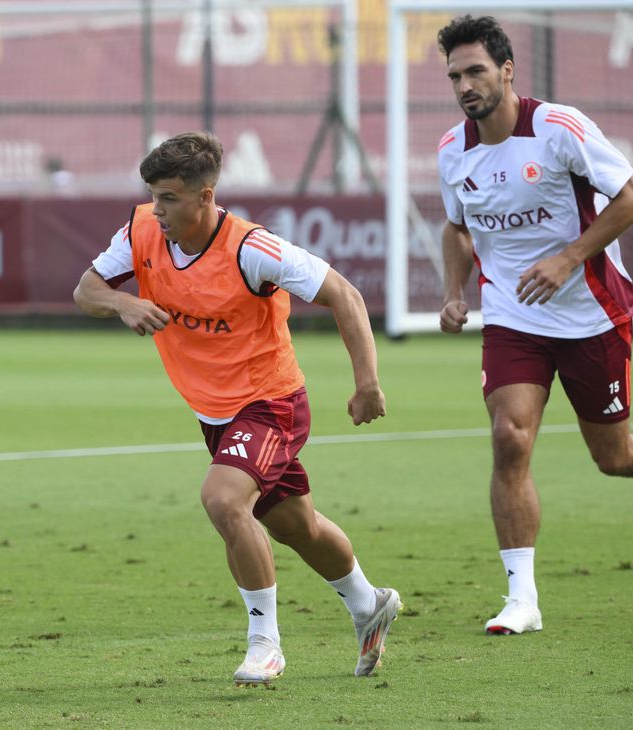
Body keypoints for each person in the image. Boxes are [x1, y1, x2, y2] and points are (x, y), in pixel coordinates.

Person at [73, 132, 400, 684]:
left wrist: (367, 382)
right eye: (153, 195)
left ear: (205, 196)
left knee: (224, 501)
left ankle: (264, 644)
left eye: (170, 198)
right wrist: (123, 301)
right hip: (215, 413)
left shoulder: (253, 248)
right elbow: (86, 288)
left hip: (272, 402)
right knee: (298, 528)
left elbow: (345, 294)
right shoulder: (141, 231)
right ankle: (370, 605)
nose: (158, 209)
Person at [436, 15, 633, 635]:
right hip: (514, 320)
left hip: (592, 314)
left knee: (615, 458)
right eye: (455, 76)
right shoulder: (451, 150)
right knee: (510, 438)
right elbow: (457, 227)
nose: (466, 85)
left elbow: (628, 195)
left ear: (507, 70)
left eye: (475, 71)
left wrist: (570, 257)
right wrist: (452, 292)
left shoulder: (558, 128)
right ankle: (522, 598)